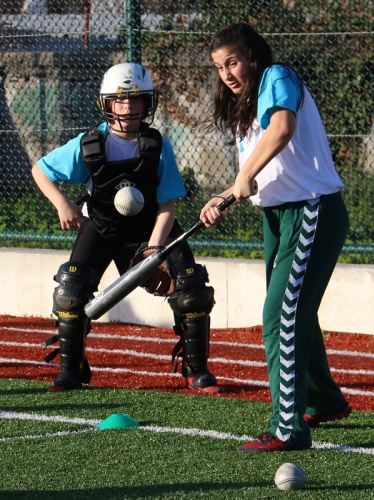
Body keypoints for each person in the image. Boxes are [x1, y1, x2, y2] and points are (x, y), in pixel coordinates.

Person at [200, 22, 351, 452]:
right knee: (294, 311)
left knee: (280, 317)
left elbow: (282, 128)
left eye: (233, 61)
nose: (227, 73)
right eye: (219, 67)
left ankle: (288, 428)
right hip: (279, 215)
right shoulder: (247, 102)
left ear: (252, 56)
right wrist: (228, 194)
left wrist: (242, 176)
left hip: (311, 210)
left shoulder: (276, 77)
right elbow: (259, 168)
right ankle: (323, 401)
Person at [32, 62, 220, 394]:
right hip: (101, 227)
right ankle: (71, 369)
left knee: (192, 287)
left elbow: (167, 205)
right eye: (120, 100)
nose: (128, 108)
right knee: (70, 290)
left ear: (148, 104)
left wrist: (154, 248)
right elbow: (40, 170)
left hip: (152, 228)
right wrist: (63, 204)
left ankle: (196, 369)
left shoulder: (157, 146)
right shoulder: (89, 145)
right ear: (106, 103)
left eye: (137, 100)